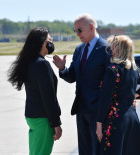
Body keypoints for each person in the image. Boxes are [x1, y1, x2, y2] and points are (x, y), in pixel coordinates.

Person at [53, 13, 109, 155]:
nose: (77, 34)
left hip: (98, 110)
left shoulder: (106, 49)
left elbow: (112, 80)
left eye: (79, 30)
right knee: (84, 149)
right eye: (75, 31)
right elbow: (72, 76)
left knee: (97, 149)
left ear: (91, 27)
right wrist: (62, 69)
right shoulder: (79, 49)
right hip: (81, 108)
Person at [96, 35, 140, 155]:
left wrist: (98, 123)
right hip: (131, 118)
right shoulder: (135, 69)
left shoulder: (112, 70)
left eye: (112, 47)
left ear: (118, 49)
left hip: (114, 120)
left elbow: (105, 100)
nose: (110, 50)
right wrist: (134, 95)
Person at [8, 27, 62, 155]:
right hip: (43, 119)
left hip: (33, 116)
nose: (51, 42)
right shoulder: (42, 64)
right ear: (43, 43)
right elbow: (48, 97)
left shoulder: (30, 62)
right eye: (50, 40)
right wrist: (56, 123)